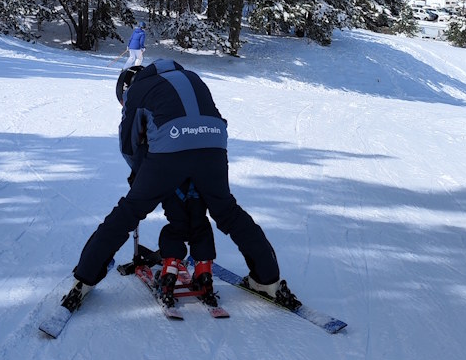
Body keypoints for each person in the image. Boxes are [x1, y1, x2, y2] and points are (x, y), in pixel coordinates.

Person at [63, 59, 299, 311]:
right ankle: (267, 279)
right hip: (214, 146)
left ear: (124, 90)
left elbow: (129, 146)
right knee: (227, 211)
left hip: (171, 147)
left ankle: (84, 279)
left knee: (129, 212)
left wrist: (142, 178)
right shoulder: (191, 76)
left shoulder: (136, 91)